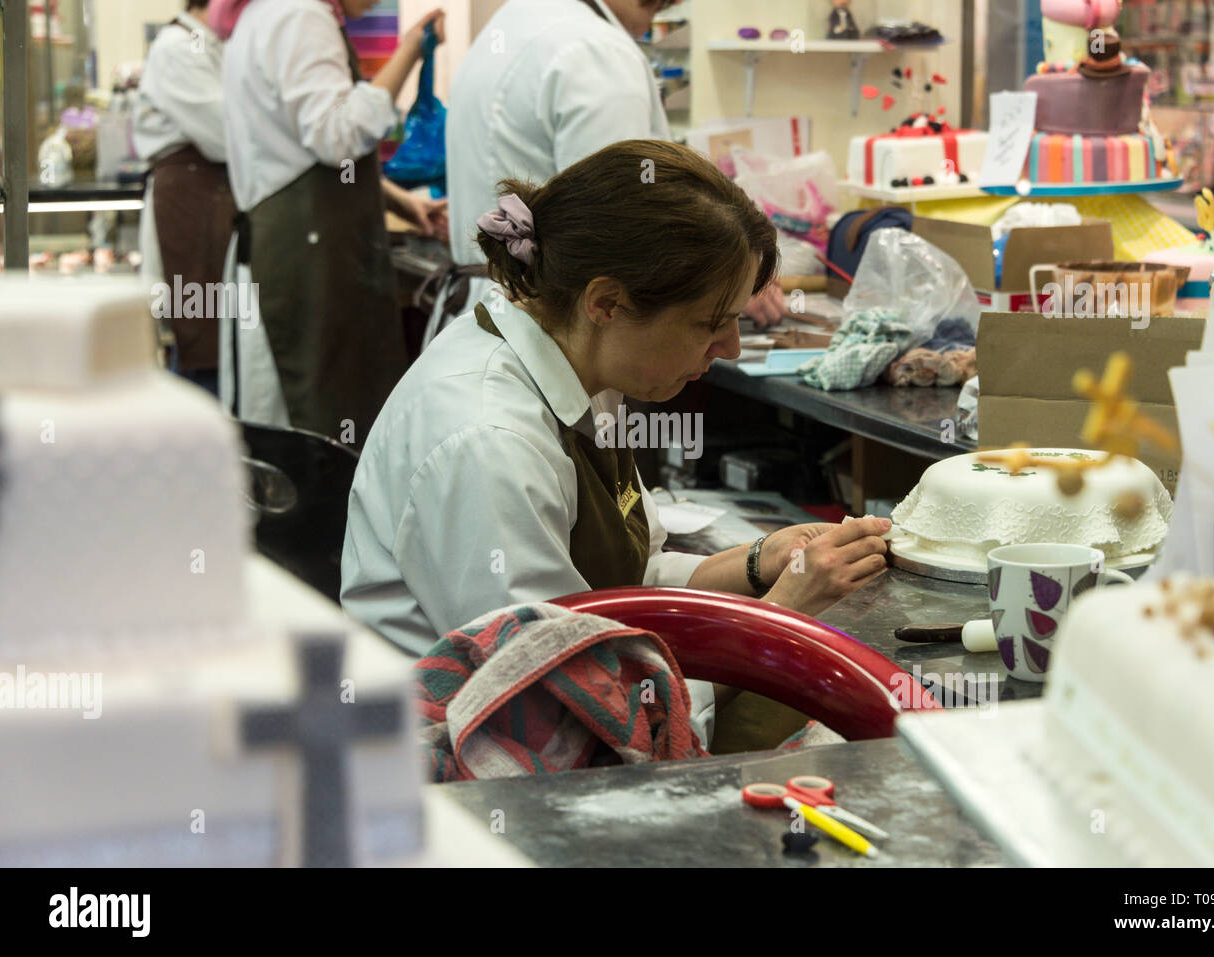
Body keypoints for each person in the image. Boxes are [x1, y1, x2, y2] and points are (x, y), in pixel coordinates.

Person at [342, 141, 890, 746]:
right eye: (710, 323)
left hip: (561, 712)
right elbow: (574, 710)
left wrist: (760, 565)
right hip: (473, 767)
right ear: (606, 303)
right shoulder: (489, 443)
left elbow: (631, 580)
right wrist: (782, 617)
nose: (731, 347)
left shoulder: (579, 365)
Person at [432, 0, 784, 342]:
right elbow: (622, 220)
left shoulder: (513, 19)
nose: (652, 20)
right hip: (546, 325)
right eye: (652, 5)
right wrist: (724, 279)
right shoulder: (596, 50)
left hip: (482, 314)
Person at [210, 0, 449, 446]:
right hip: (307, 255)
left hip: (294, 244)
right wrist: (408, 53)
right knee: (327, 422)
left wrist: (397, 202)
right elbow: (335, 134)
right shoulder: (300, 15)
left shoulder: (270, 13)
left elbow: (293, 148)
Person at [133, 0, 233, 396]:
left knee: (217, 338)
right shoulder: (177, 47)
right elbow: (227, 134)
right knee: (199, 343)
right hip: (191, 206)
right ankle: (190, 446)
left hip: (214, 202)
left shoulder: (213, 45)